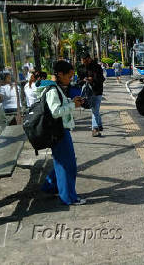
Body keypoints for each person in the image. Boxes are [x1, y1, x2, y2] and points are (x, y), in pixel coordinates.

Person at [37, 60, 86, 205]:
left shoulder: (56, 88)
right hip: (59, 131)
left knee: (62, 163)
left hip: (60, 130)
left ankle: (50, 187)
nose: (71, 79)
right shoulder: (53, 90)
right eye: (69, 76)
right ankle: (69, 197)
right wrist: (72, 105)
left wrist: (71, 101)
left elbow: (58, 107)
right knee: (68, 165)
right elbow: (56, 112)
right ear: (59, 74)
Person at [80, 53, 105, 137]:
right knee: (95, 109)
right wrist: (84, 80)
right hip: (87, 93)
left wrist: (93, 80)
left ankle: (95, 129)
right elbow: (79, 81)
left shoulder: (97, 67)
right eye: (83, 61)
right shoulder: (81, 68)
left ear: (89, 59)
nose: (85, 63)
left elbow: (102, 79)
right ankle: (99, 124)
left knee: (94, 109)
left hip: (97, 91)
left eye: (86, 61)